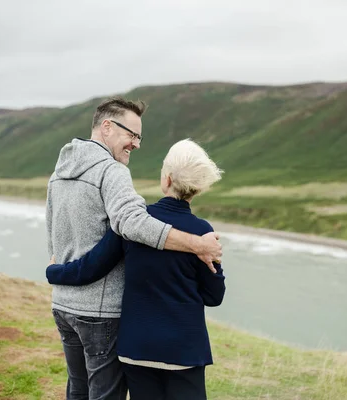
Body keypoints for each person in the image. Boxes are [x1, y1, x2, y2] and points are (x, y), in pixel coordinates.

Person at [46, 98, 222, 400]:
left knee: (77, 389)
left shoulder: (59, 171)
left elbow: (53, 231)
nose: (136, 144)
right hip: (98, 312)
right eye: (132, 134)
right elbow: (130, 222)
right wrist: (197, 245)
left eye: (139, 137)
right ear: (107, 127)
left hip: (63, 306)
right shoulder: (111, 171)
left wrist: (55, 271)